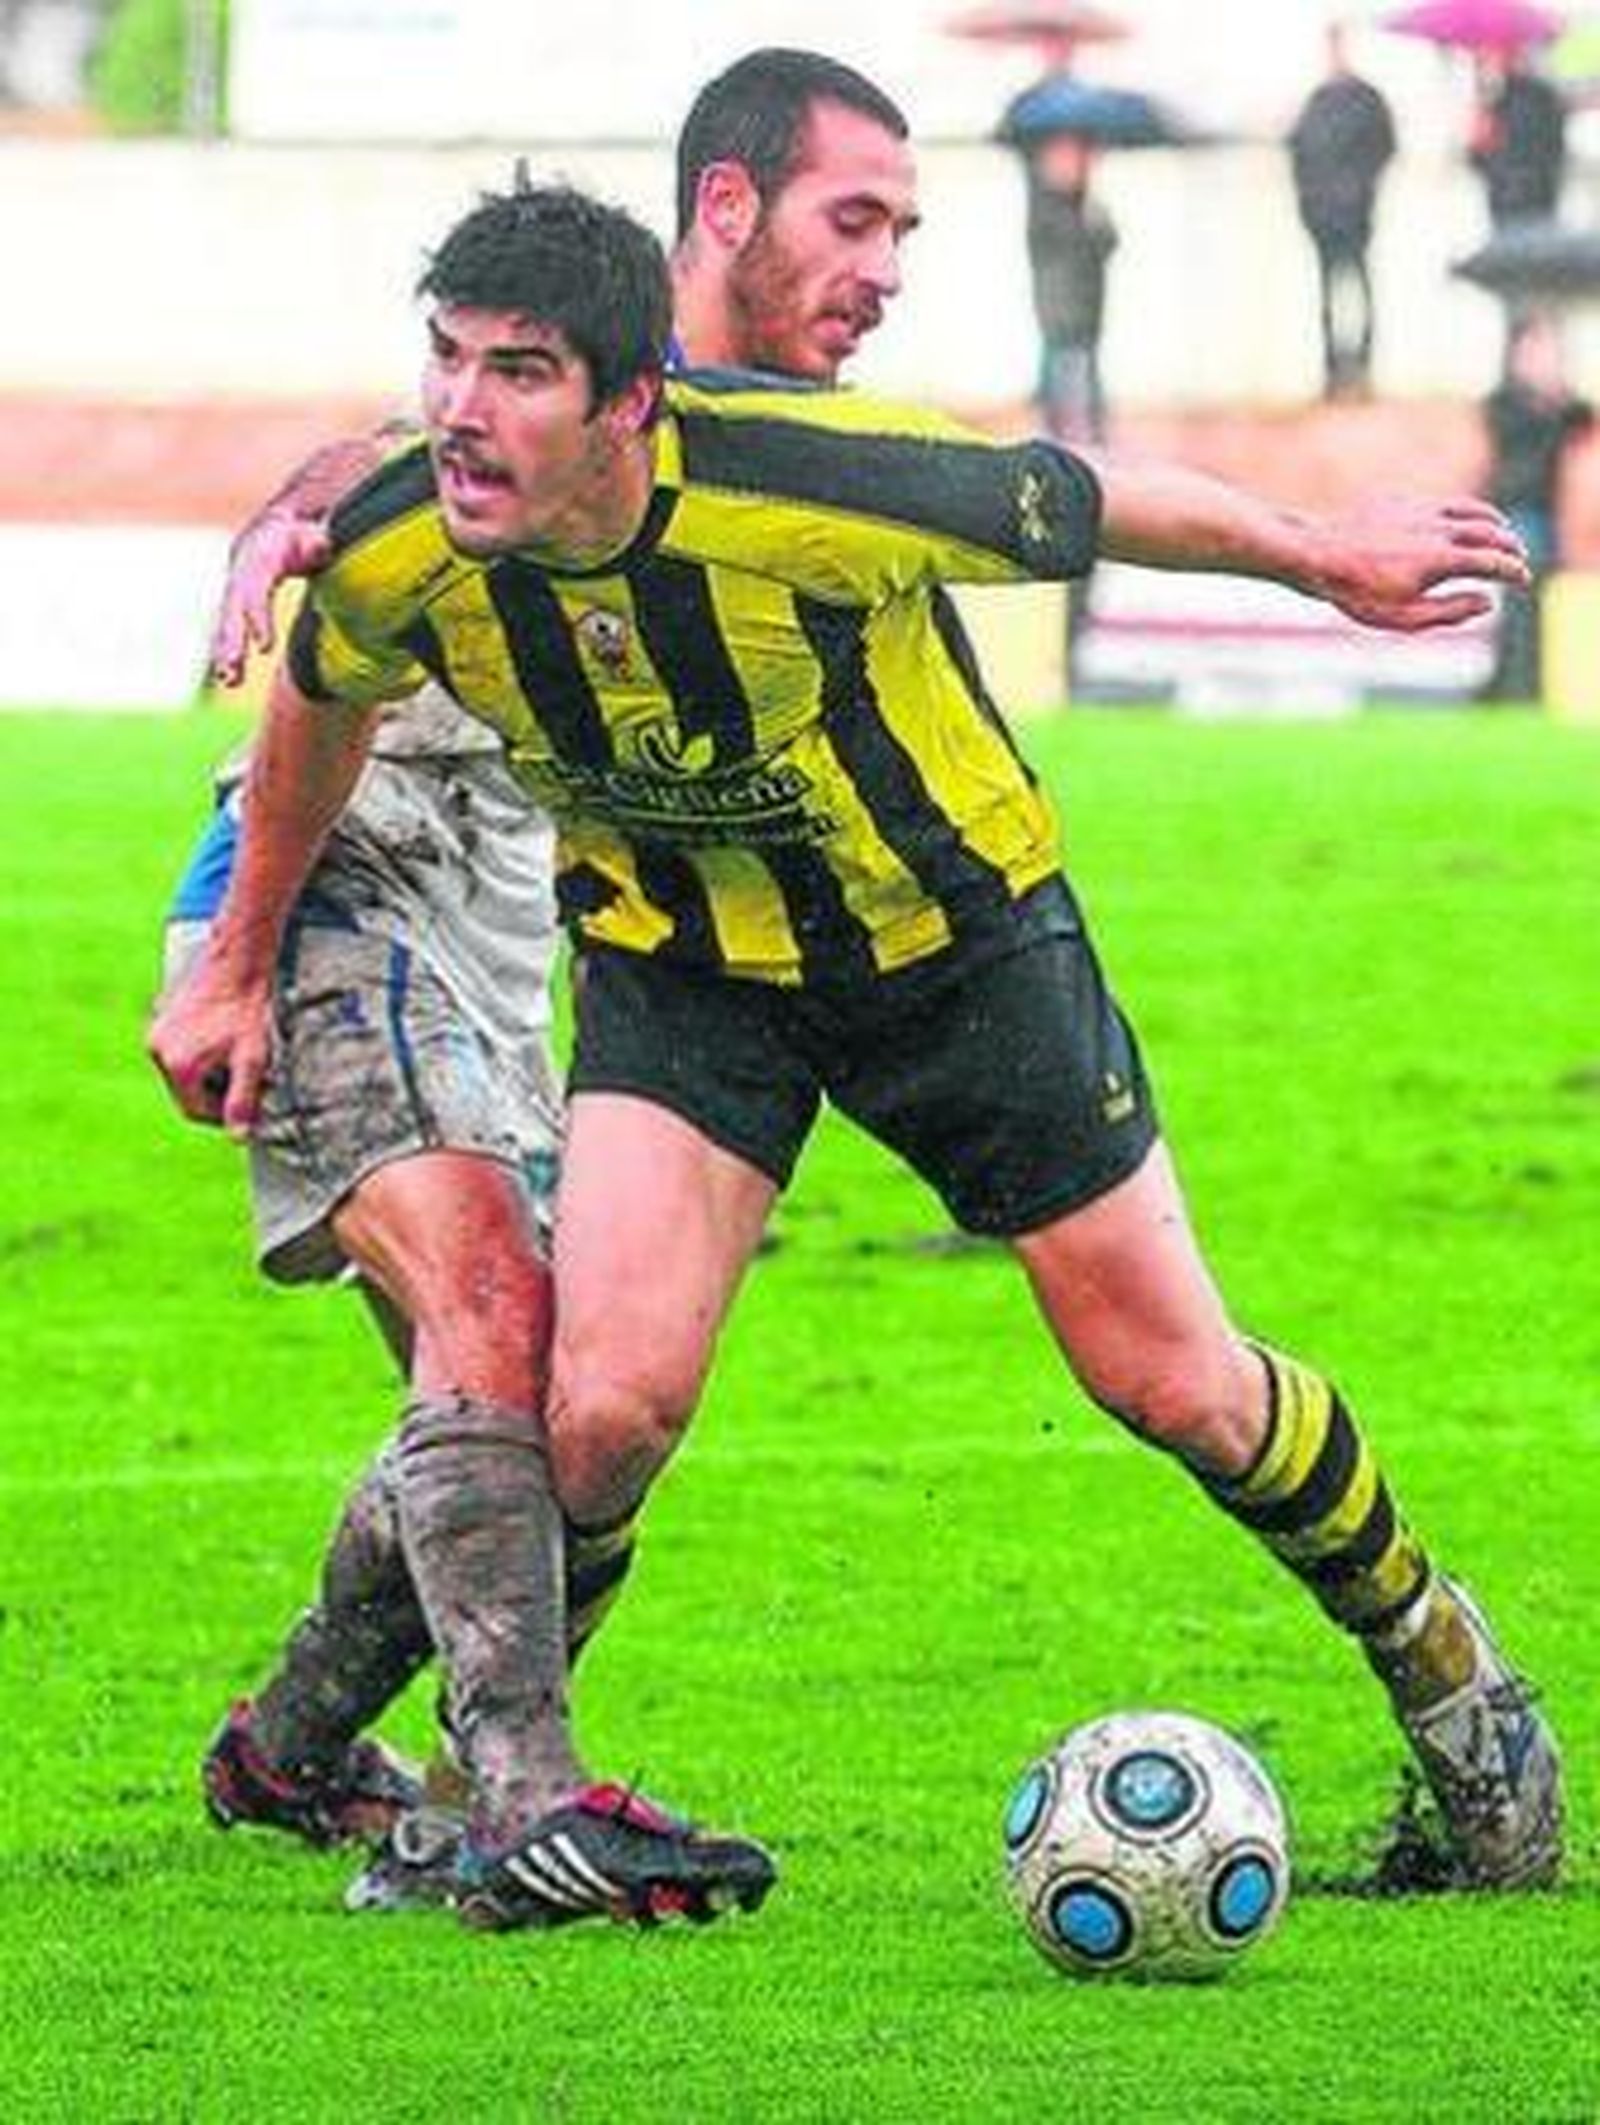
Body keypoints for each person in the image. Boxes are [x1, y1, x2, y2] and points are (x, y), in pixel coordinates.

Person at [151, 178, 1563, 1923]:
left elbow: (1086, 493)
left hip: (955, 952)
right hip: (686, 972)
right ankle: (484, 1811)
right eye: (447, 360)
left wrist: (1325, 555)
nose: (463, 408)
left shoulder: (812, 481)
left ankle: (1450, 1675)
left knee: (1174, 1382)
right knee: (594, 1407)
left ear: (629, 401)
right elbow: (320, 689)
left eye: (519, 372)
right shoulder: (399, 537)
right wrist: (230, 967)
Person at [155, 48, 918, 1919]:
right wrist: (235, 964)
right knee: (492, 1309)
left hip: (501, 957)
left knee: (568, 1416)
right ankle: (522, 1815)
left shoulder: (748, 446)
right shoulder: (566, 359)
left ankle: (300, 1746)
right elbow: (372, 473)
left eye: (899, 234)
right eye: (857, 222)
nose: (881, 273)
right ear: (727, 216)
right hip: (337, 902)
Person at [1480, 308, 1592, 701]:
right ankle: (1513, 687)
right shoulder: (1504, 403)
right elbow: (1520, 448)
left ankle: (1531, 685)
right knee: (1519, 608)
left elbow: (1583, 420)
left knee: (1540, 607)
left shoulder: (1564, 407)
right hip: (1516, 513)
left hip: (1551, 516)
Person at [997, 96, 1118, 444]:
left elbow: (1108, 243)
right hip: (1060, 318)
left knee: (1079, 388)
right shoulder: (1046, 209)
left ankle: (1084, 443)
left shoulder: (1088, 206)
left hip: (1086, 319)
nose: (1075, 164)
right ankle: (1068, 444)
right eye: (1066, 156)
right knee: (1066, 390)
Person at [1286, 22, 1397, 399]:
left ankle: (1361, 372)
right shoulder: (1317, 101)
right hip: (1324, 216)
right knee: (1330, 295)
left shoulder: (1365, 99)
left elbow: (1383, 149)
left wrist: (1360, 189)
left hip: (1356, 214)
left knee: (1360, 292)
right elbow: (1298, 155)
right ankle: (1334, 374)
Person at [1468, 50, 1567, 229]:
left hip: (1506, 190)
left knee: (1512, 245)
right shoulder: (1549, 97)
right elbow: (1557, 148)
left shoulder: (1497, 102)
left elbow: (1477, 154)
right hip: (1540, 189)